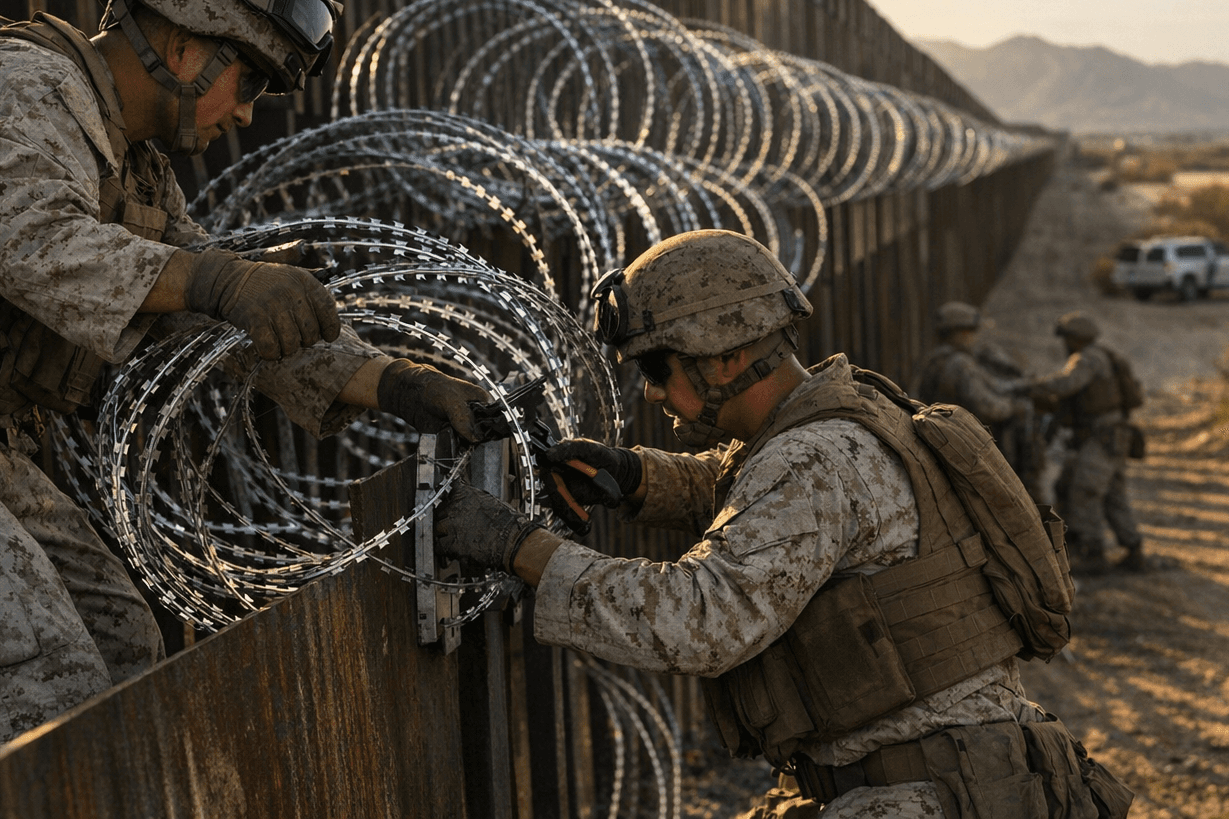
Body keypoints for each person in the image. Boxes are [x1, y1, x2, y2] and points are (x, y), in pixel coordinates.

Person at [0, 0, 487, 770]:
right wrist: (217, 281)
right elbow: (28, 240)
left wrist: (400, 386)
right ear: (182, 45)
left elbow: (225, 316)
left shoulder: (130, 163)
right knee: (30, 705)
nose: (246, 111)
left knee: (119, 650)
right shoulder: (28, 81)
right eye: (246, 79)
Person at [434, 230, 1127, 818]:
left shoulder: (811, 460)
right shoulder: (849, 410)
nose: (647, 390)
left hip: (918, 793)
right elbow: (750, 488)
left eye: (657, 365)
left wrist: (522, 548)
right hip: (959, 777)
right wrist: (635, 476)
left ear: (727, 356)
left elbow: (701, 620)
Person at [1009, 312, 1144, 576]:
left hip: (1101, 437)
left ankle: (1092, 554)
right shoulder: (1102, 355)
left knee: (1086, 491)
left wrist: (1029, 386)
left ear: (1074, 339)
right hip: (1112, 437)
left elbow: (1067, 383)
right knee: (1113, 495)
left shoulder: (1087, 358)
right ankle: (1133, 548)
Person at [916, 301, 1046, 501]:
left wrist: (1019, 385)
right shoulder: (961, 364)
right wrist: (1015, 406)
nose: (974, 338)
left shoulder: (934, 361)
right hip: (969, 447)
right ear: (959, 333)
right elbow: (989, 407)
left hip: (942, 440)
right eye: (970, 332)